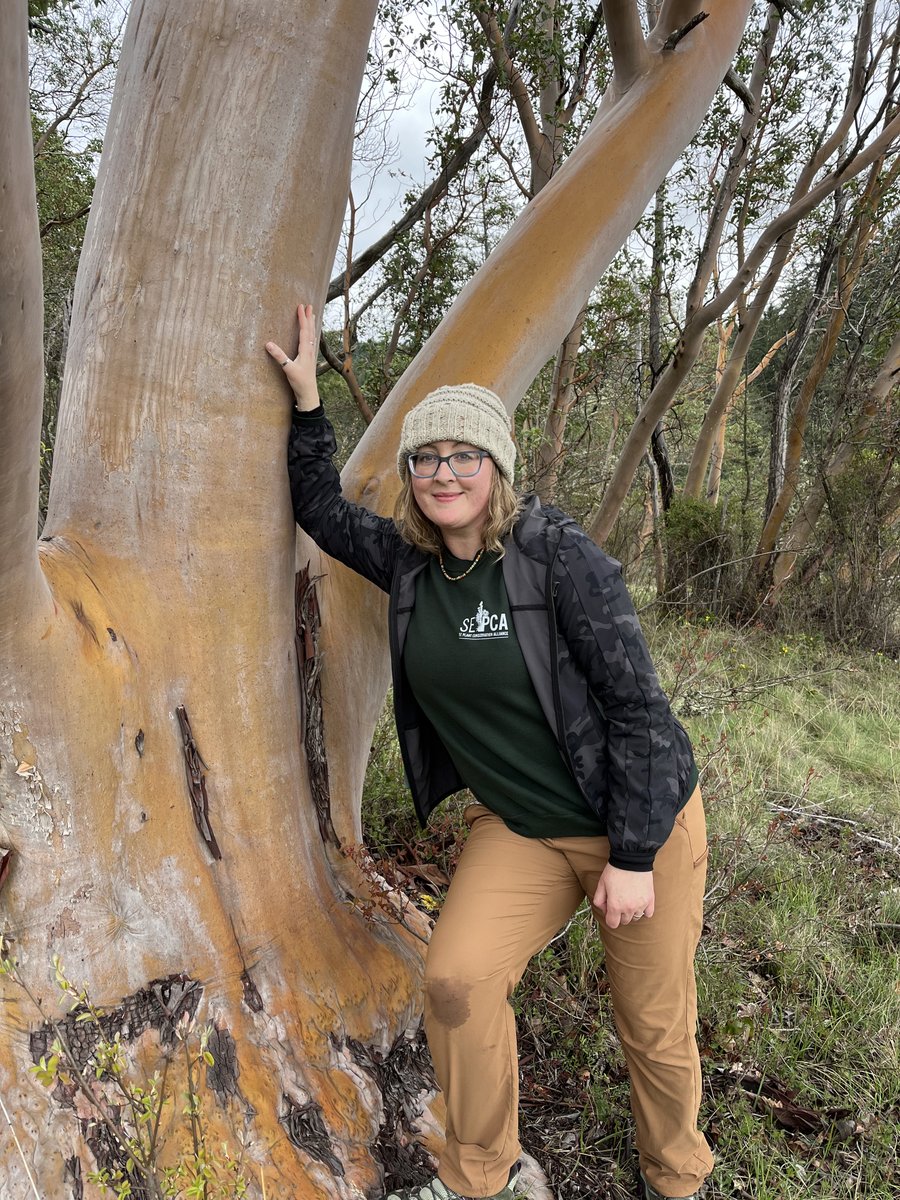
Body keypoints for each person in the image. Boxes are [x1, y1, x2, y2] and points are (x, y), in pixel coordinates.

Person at [266, 305, 713, 1200]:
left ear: (496, 467)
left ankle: (678, 1178)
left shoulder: (558, 560)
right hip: (522, 829)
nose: (442, 473)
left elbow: (641, 713)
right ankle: (486, 1176)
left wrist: (629, 856)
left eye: (463, 456)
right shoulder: (410, 565)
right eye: (426, 459)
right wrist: (310, 402)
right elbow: (317, 507)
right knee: (457, 982)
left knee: (653, 1025)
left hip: (638, 824)